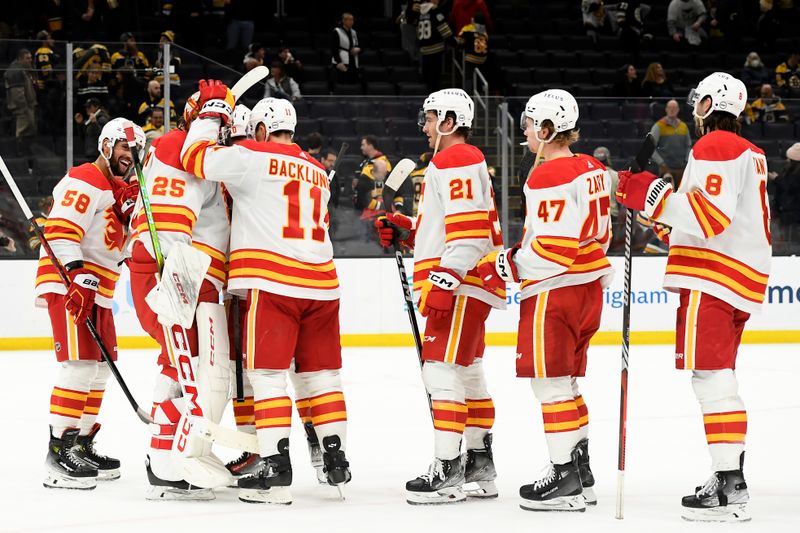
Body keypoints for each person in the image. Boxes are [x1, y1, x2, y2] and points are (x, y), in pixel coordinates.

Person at [181, 83, 352, 504]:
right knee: (322, 377)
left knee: (268, 377)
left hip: (271, 283)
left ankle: (275, 466)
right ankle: (335, 458)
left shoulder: (251, 157)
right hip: (323, 285)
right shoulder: (315, 168)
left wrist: (211, 114)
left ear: (259, 128)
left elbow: (194, 158)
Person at [615, 72, 771, 522]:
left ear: (711, 104)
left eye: (699, 101)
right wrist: (664, 219)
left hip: (715, 278)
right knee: (717, 376)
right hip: (735, 277)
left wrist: (649, 195)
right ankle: (730, 476)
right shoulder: (750, 151)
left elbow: (709, 217)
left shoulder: (716, 145)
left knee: (712, 378)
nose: (694, 108)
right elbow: (706, 215)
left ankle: (728, 485)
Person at [477, 89, 612, 512]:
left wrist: (507, 263)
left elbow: (554, 250)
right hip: (589, 287)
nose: (526, 133)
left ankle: (564, 477)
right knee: (568, 382)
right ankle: (580, 469)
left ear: (548, 127)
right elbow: (599, 237)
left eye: (531, 125)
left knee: (550, 384)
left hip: (556, 290)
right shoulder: (592, 167)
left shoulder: (548, 175)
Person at [376, 88, 505, 504]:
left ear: (450, 122)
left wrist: (446, 280)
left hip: (459, 280)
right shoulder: (453, 161)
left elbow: (468, 234)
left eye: (432, 118)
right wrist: (408, 229)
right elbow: (449, 229)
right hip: (468, 279)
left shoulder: (457, 157)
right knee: (468, 372)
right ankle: (480, 465)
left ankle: (448, 470)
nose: (426, 125)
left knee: (441, 371)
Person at [127, 91, 232, 500]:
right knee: (183, 361)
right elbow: (169, 224)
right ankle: (164, 461)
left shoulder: (198, 154)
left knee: (179, 360)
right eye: (217, 122)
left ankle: (167, 456)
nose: (224, 131)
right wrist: (174, 277)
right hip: (169, 264)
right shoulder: (177, 144)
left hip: (179, 265)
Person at [35, 118, 144, 490]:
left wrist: (134, 218)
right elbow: (60, 230)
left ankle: (80, 443)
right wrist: (77, 275)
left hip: (99, 289)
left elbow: (119, 249)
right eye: (124, 148)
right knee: (79, 366)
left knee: (99, 370)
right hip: (71, 282)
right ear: (106, 146)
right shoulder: (87, 177)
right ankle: (58, 452)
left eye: (134, 151)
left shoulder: (120, 191)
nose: (130, 156)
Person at [412, 0, 454, 92]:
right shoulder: (435, 11)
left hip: (424, 51)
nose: (438, 1)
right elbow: (444, 30)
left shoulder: (419, 13)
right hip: (436, 49)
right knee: (435, 80)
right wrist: (454, 43)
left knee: (426, 79)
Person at [4, 48, 37, 165]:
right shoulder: (16, 71)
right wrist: (24, 108)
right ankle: (19, 153)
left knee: (28, 129)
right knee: (21, 129)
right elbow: (18, 94)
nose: (30, 60)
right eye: (27, 58)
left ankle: (26, 154)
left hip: (27, 105)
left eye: (31, 58)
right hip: (22, 107)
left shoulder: (23, 69)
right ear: (20, 59)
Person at [650, 99, 692, 185]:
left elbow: (689, 145)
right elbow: (650, 148)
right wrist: (661, 163)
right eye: (670, 107)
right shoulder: (659, 126)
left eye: (674, 107)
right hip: (666, 168)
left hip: (681, 168)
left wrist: (686, 160)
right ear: (666, 109)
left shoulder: (683, 126)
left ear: (678, 110)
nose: (672, 110)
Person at [354, 135, 394, 216]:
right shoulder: (364, 162)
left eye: (363, 145)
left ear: (370, 145)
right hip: (361, 203)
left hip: (374, 208)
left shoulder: (383, 162)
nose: (361, 147)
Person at [456, 13, 489, 94]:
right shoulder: (485, 32)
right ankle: (483, 92)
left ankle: (467, 94)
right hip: (483, 59)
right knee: (481, 77)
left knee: (468, 77)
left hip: (471, 58)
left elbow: (459, 40)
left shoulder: (468, 29)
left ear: (473, 20)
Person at [772, 142, 800, 228]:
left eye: (789, 159)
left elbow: (789, 187)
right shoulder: (792, 171)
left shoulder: (796, 174)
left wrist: (776, 179)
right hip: (789, 213)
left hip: (792, 215)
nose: (787, 160)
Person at [75, 97, 110, 161]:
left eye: (89, 107)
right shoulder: (89, 120)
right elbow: (83, 136)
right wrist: (80, 124)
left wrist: (94, 123)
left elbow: (103, 136)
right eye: (86, 107)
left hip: (97, 154)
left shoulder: (102, 119)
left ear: (96, 107)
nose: (87, 109)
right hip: (89, 153)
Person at [331, 12, 362, 85]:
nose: (352, 22)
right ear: (344, 21)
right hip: (342, 61)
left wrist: (359, 49)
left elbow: (359, 45)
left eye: (352, 20)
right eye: (350, 20)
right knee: (343, 83)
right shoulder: (337, 31)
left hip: (353, 61)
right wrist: (338, 62)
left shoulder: (354, 32)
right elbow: (334, 48)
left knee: (353, 83)